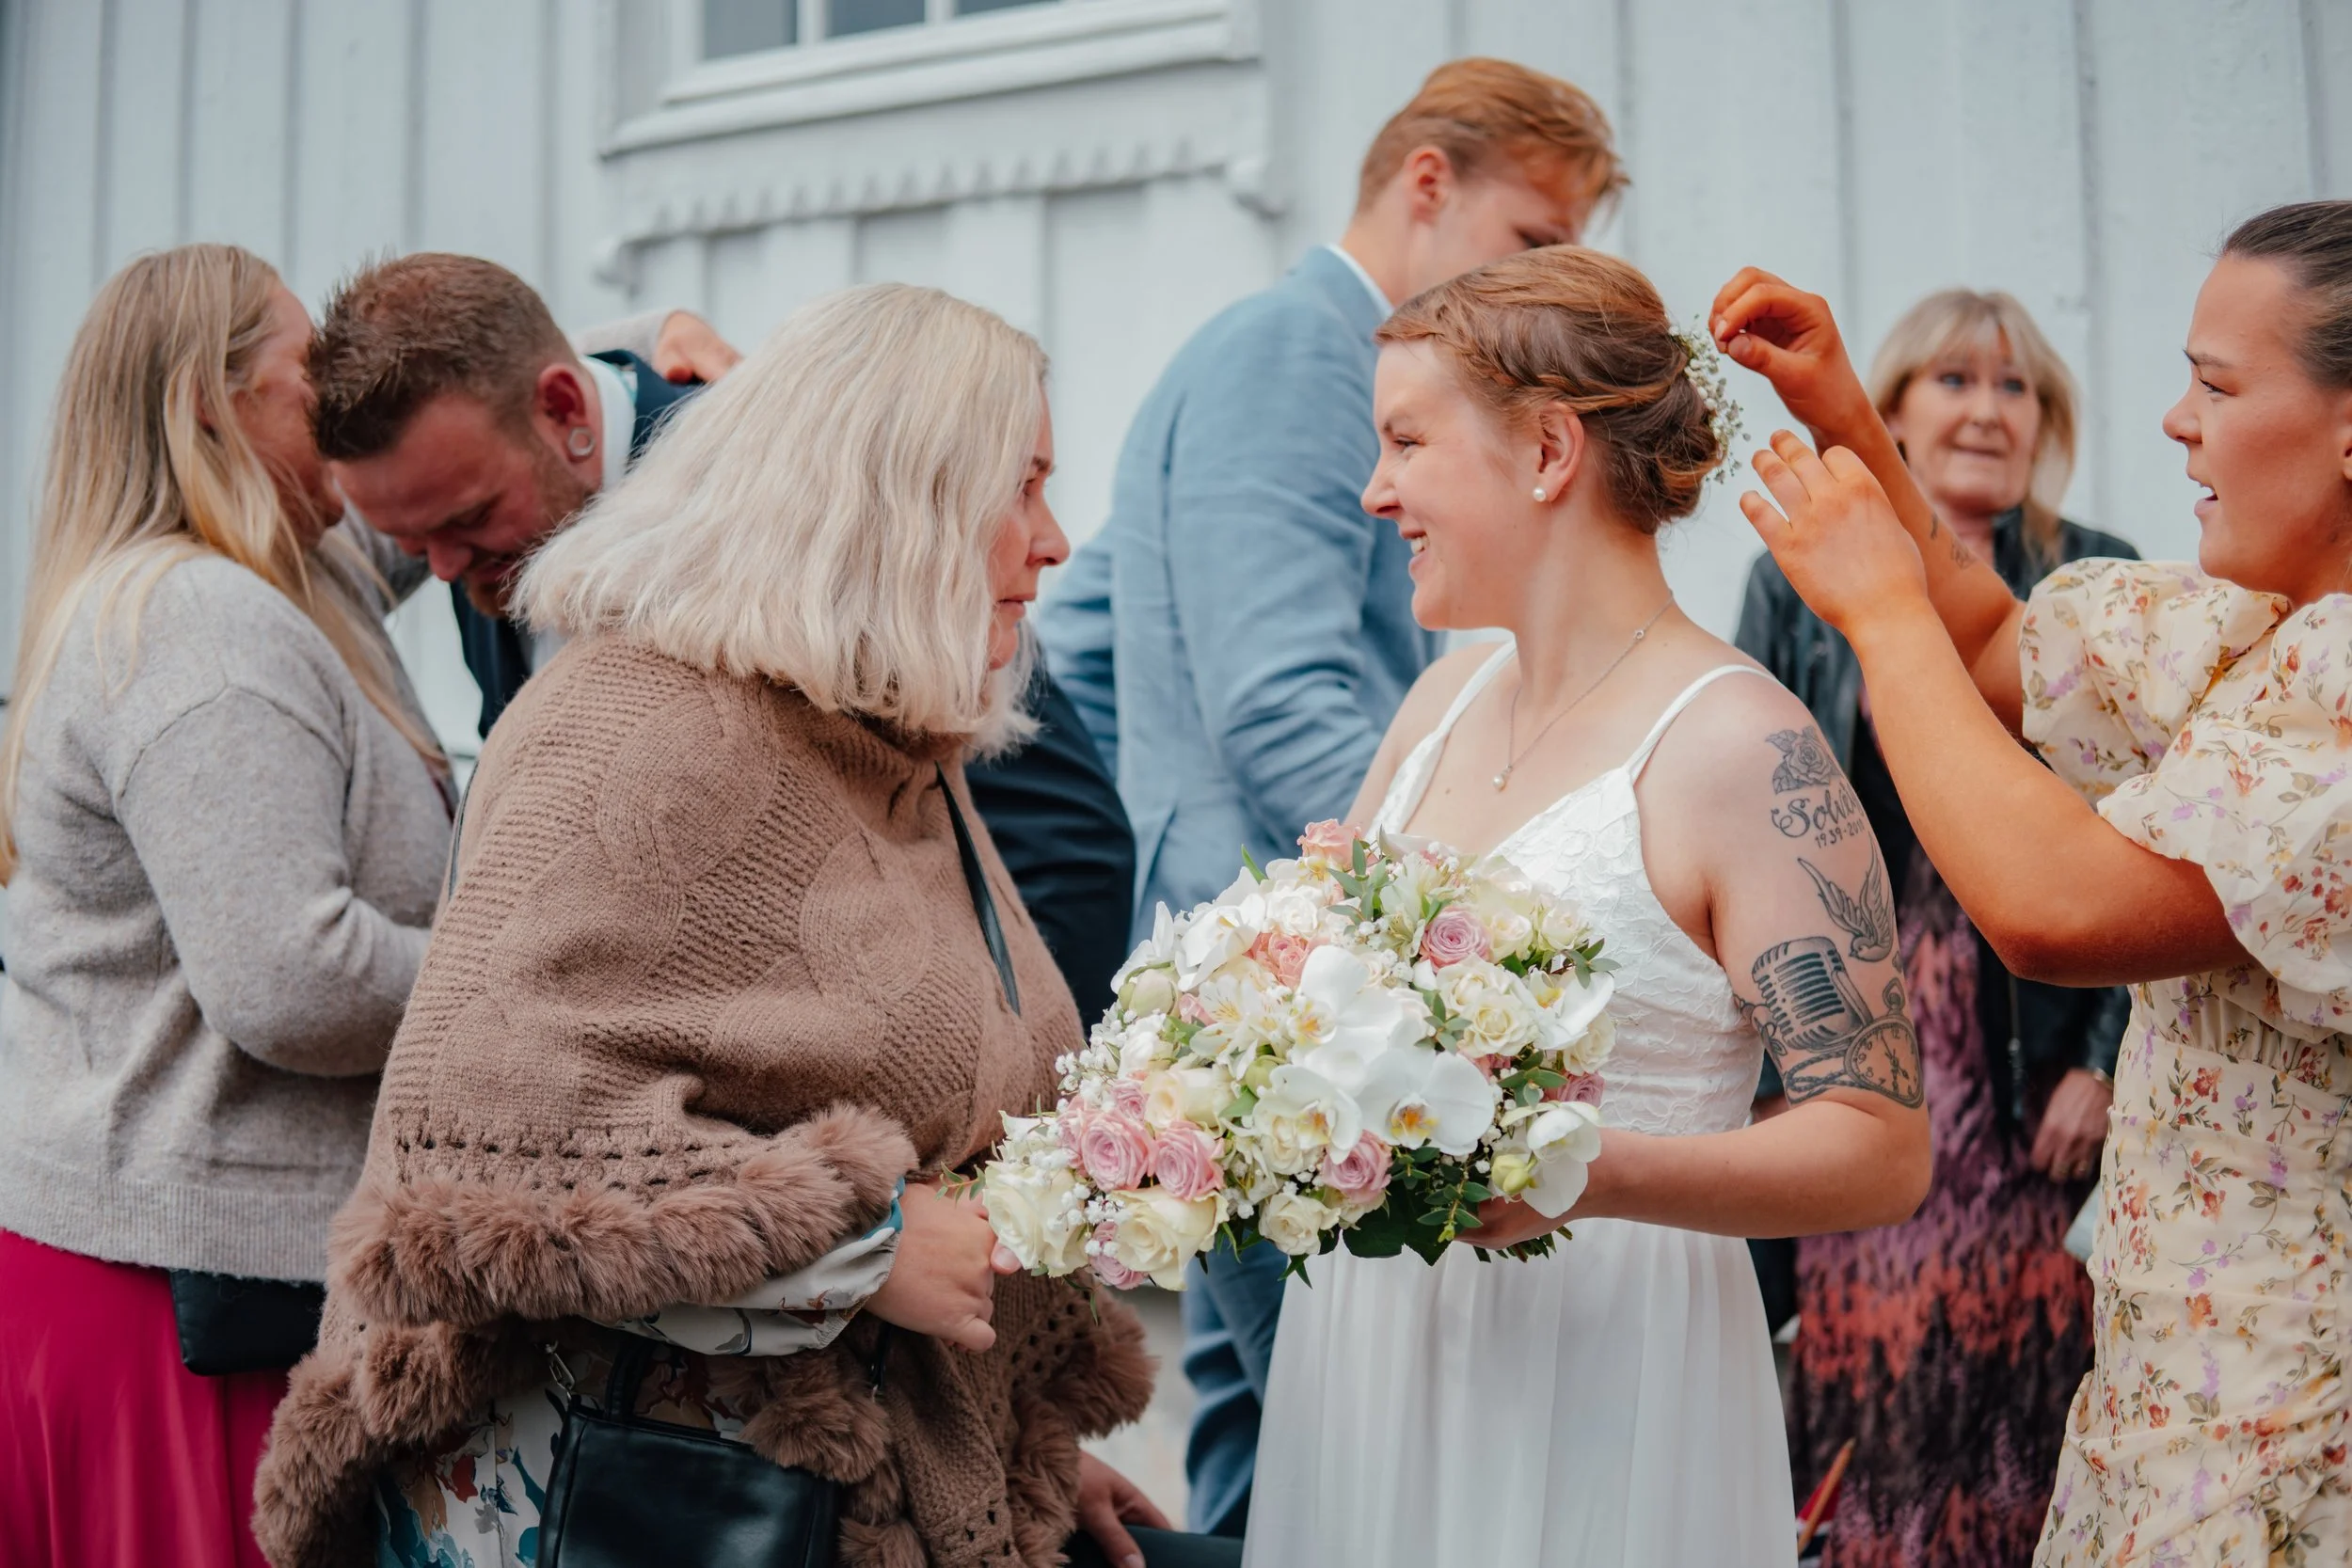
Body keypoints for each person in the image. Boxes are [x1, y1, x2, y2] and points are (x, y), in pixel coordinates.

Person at [253, 282, 1176, 1568]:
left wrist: (1014, 1436)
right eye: (1019, 487)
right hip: (621, 1500)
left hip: (830, 1472)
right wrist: (860, 1245)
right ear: (897, 499)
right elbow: (475, 1159)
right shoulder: (634, 726)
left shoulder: (884, 739)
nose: (1055, 539)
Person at [1243, 245, 1932, 1567]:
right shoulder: (1437, 705)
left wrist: (1595, 1173)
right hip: (1370, 1356)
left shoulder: (1741, 747)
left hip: (1610, 1367)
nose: (1376, 490)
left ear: (1549, 450)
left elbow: (1880, 1144)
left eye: (1406, 442)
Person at [1710, 198, 2352, 1566]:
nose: (2176, 420)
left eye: (2217, 385)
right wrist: (1842, 411)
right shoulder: (2243, 623)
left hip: (2290, 1395)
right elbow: (2000, 636)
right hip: (2163, 1370)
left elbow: (2055, 910)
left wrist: (1879, 612)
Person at [1037, 57, 1627, 1533]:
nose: (1535, 284)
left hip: (1258, 959)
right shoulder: (1300, 357)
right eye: (1527, 236)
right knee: (1354, 1454)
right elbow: (1279, 701)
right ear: (1427, 181)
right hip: (1299, 1007)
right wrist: (1462, 924)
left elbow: (1089, 640)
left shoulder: (1287, 354)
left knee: (1274, 1433)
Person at [312, 254, 1137, 1016]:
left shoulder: (788, 487)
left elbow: (1065, 842)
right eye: (417, 543)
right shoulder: (479, 516)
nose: (444, 566)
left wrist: (1007, 1070)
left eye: (469, 517)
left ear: (563, 406)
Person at [0, 245, 453, 1568]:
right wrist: (519, 983)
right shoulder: (200, 624)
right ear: (212, 403)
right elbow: (289, 978)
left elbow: (454, 469)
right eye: (315, 373)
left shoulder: (292, 569)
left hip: (174, 1263)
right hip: (182, 1303)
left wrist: (617, 359)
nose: (352, 395)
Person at [1733, 288, 2137, 1566]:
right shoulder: (1792, 574)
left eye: (2016, 387)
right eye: (1955, 380)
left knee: (2031, 1379)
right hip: (1868, 1025)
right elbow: (1757, 811)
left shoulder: (2093, 578)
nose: (1987, 410)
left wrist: (2106, 1060)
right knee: (1874, 1365)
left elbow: (2147, 833)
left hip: (2034, 1029)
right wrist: (1767, 1056)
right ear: (1893, 412)